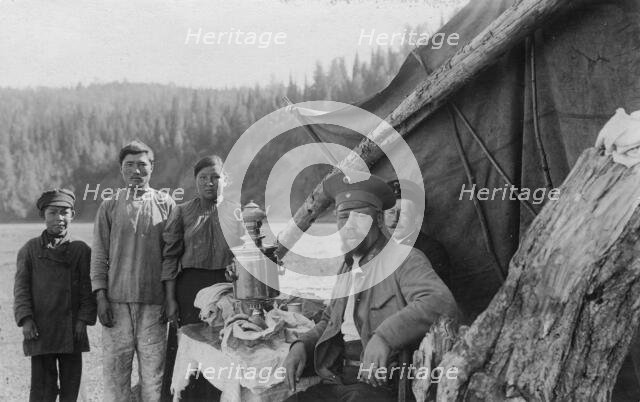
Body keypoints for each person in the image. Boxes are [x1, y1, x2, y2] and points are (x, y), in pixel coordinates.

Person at [283, 172, 458, 402]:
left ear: (378, 220)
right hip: (339, 380)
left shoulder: (405, 259)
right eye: (343, 217)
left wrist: (385, 337)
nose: (349, 226)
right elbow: (329, 321)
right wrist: (302, 346)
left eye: (359, 217)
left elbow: (440, 302)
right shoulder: (346, 267)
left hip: (381, 385)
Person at [91, 140, 176, 401]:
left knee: (154, 377)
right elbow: (99, 255)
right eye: (129, 165)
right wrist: (101, 297)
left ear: (152, 167)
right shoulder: (109, 205)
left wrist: (169, 298)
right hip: (116, 304)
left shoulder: (166, 203)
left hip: (154, 305)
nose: (136, 171)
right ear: (121, 169)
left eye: (142, 165)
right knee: (116, 376)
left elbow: (171, 257)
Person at [161, 155, 244, 400]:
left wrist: (236, 268)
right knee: (188, 347)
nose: (210, 183)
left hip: (224, 289)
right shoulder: (182, 212)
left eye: (215, 177)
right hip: (189, 291)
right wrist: (170, 299)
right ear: (195, 181)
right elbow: (170, 258)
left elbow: (244, 252)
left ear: (225, 180)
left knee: (222, 347)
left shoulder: (235, 212)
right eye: (203, 178)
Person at [14, 189, 97, 402]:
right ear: (44, 215)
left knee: (73, 387)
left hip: (72, 329)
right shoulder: (29, 250)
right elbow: (21, 288)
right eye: (52, 212)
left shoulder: (81, 250)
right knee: (42, 388)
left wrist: (83, 320)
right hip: (40, 329)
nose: (58, 218)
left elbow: (88, 289)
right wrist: (26, 319)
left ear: (73, 215)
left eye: (64, 212)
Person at [385, 179, 452, 287]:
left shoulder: (432, 251)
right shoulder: (379, 248)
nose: (394, 219)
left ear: (417, 218)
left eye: (403, 213)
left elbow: (434, 298)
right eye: (391, 212)